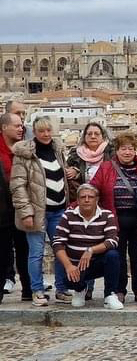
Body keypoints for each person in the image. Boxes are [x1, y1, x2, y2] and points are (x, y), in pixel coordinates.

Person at [10, 116, 72, 306]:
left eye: (48, 130)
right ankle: (37, 291)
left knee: (61, 250)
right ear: (34, 133)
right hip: (37, 211)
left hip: (59, 210)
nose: (46, 134)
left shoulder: (58, 150)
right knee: (36, 253)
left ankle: (61, 289)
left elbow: (62, 174)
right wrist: (26, 212)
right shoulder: (24, 154)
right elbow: (18, 185)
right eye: (41, 131)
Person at [89, 133, 137, 304]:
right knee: (118, 256)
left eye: (131, 148)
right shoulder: (107, 167)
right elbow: (93, 188)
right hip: (115, 219)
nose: (127, 152)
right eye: (124, 149)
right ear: (117, 150)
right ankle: (119, 289)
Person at [52, 184, 123, 310]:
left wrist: (91, 250)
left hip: (97, 263)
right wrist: (68, 266)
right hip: (75, 266)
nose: (86, 200)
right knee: (66, 277)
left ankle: (110, 295)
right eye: (83, 197)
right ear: (78, 200)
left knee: (113, 255)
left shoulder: (107, 215)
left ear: (97, 199)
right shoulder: (68, 216)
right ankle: (80, 289)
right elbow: (58, 243)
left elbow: (113, 240)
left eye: (90, 197)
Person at [0, 112, 30, 304]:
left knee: (25, 250)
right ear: (4, 128)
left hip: (23, 209)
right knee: (2, 252)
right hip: (2, 210)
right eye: (17, 125)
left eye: (22, 125)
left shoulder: (25, 150)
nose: (21, 128)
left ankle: (28, 289)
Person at [65, 122, 112, 195]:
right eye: (89, 134)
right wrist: (76, 171)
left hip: (107, 197)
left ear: (103, 136)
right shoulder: (75, 155)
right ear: (84, 136)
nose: (93, 136)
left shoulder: (111, 153)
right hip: (84, 199)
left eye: (96, 134)